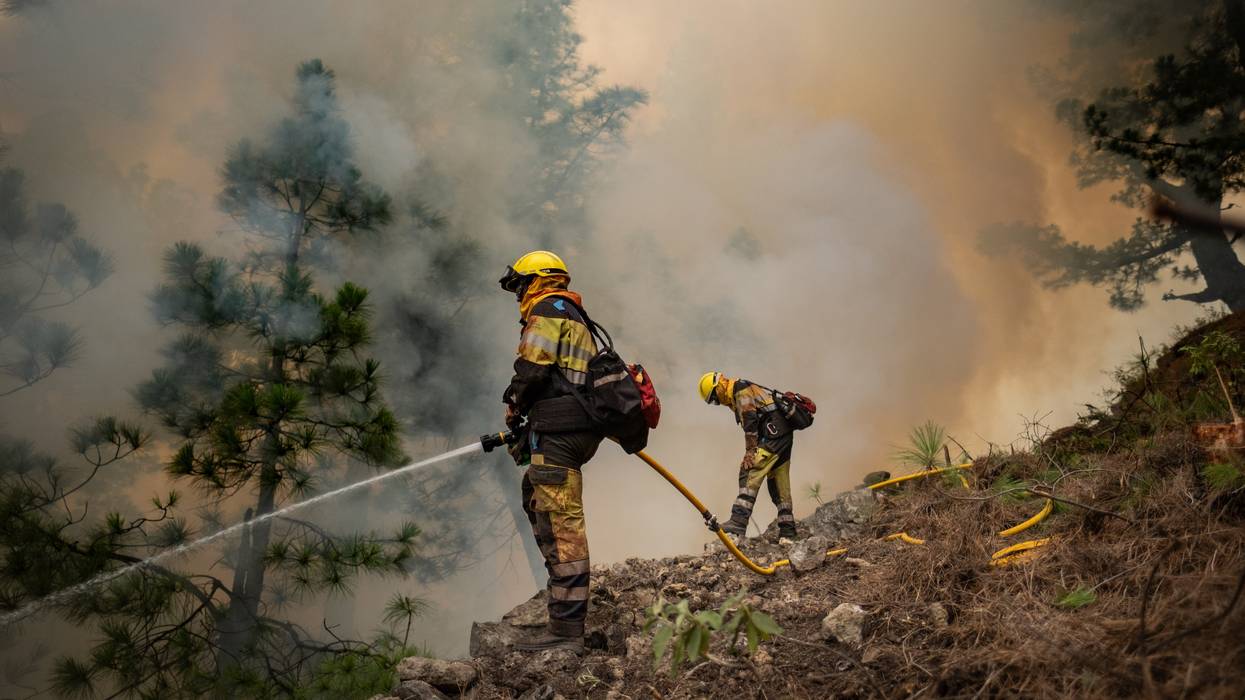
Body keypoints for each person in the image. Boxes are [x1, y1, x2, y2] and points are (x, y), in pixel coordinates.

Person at [498, 250, 601, 654]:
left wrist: (514, 402)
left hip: (561, 430)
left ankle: (566, 630)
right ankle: (562, 604)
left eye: (520, 286)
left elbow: (532, 368)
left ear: (537, 281)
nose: (518, 295)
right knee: (537, 497)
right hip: (574, 429)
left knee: (561, 525)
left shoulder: (546, 310)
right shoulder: (572, 312)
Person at [698, 371, 797, 539]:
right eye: (713, 402)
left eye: (714, 398)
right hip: (782, 434)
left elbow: (750, 420)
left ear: (718, 386)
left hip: (773, 434)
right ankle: (788, 530)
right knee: (778, 482)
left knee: (749, 470)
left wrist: (750, 452)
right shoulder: (739, 390)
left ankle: (738, 521)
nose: (717, 402)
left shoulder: (740, 390)